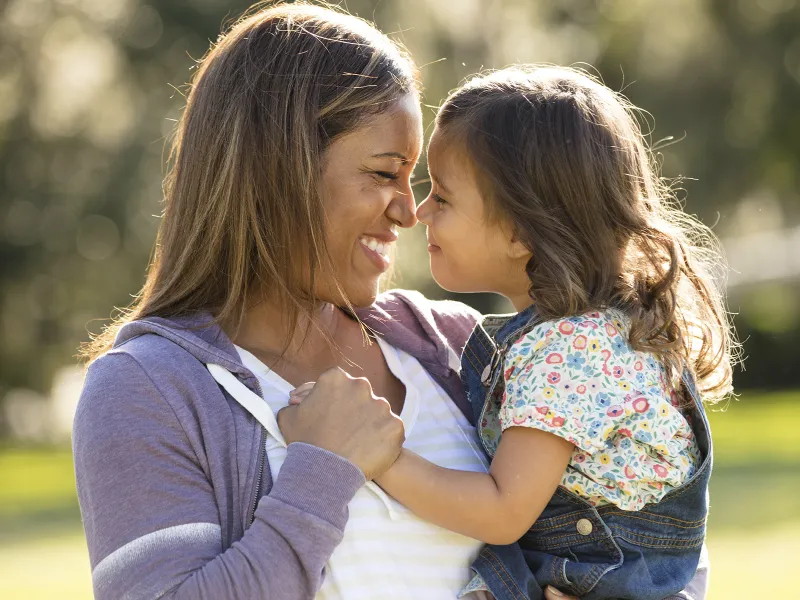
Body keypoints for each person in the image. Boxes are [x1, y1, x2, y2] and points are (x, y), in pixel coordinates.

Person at [72, 2, 707, 598]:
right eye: (384, 174)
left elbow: (648, 526)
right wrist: (321, 468)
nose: (409, 212)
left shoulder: (460, 346)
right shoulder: (146, 389)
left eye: (420, 181)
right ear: (274, 172)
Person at [313, 65, 730, 599]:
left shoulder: (567, 351)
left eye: (442, 197)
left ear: (519, 231)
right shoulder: (589, 333)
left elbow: (503, 510)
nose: (419, 214)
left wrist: (382, 458)